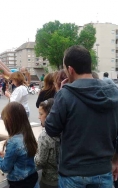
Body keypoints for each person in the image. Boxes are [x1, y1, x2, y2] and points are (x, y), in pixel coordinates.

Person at [45, 45, 118, 187]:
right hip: (103, 170)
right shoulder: (113, 94)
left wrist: (60, 93)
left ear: (70, 70)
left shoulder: (65, 95)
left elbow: (51, 128)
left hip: (72, 173)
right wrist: (116, 160)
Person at [0, 102, 39, 188]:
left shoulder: (13, 142)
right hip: (32, 178)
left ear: (10, 122)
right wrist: (6, 155)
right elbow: (24, 156)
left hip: (19, 183)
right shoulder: (28, 134)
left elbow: (5, 168)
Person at [35, 98, 59, 188]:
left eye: (41, 114)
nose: (38, 117)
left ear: (49, 115)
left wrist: (33, 155)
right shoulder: (66, 130)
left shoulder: (45, 136)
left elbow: (40, 161)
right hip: (65, 177)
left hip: (50, 181)